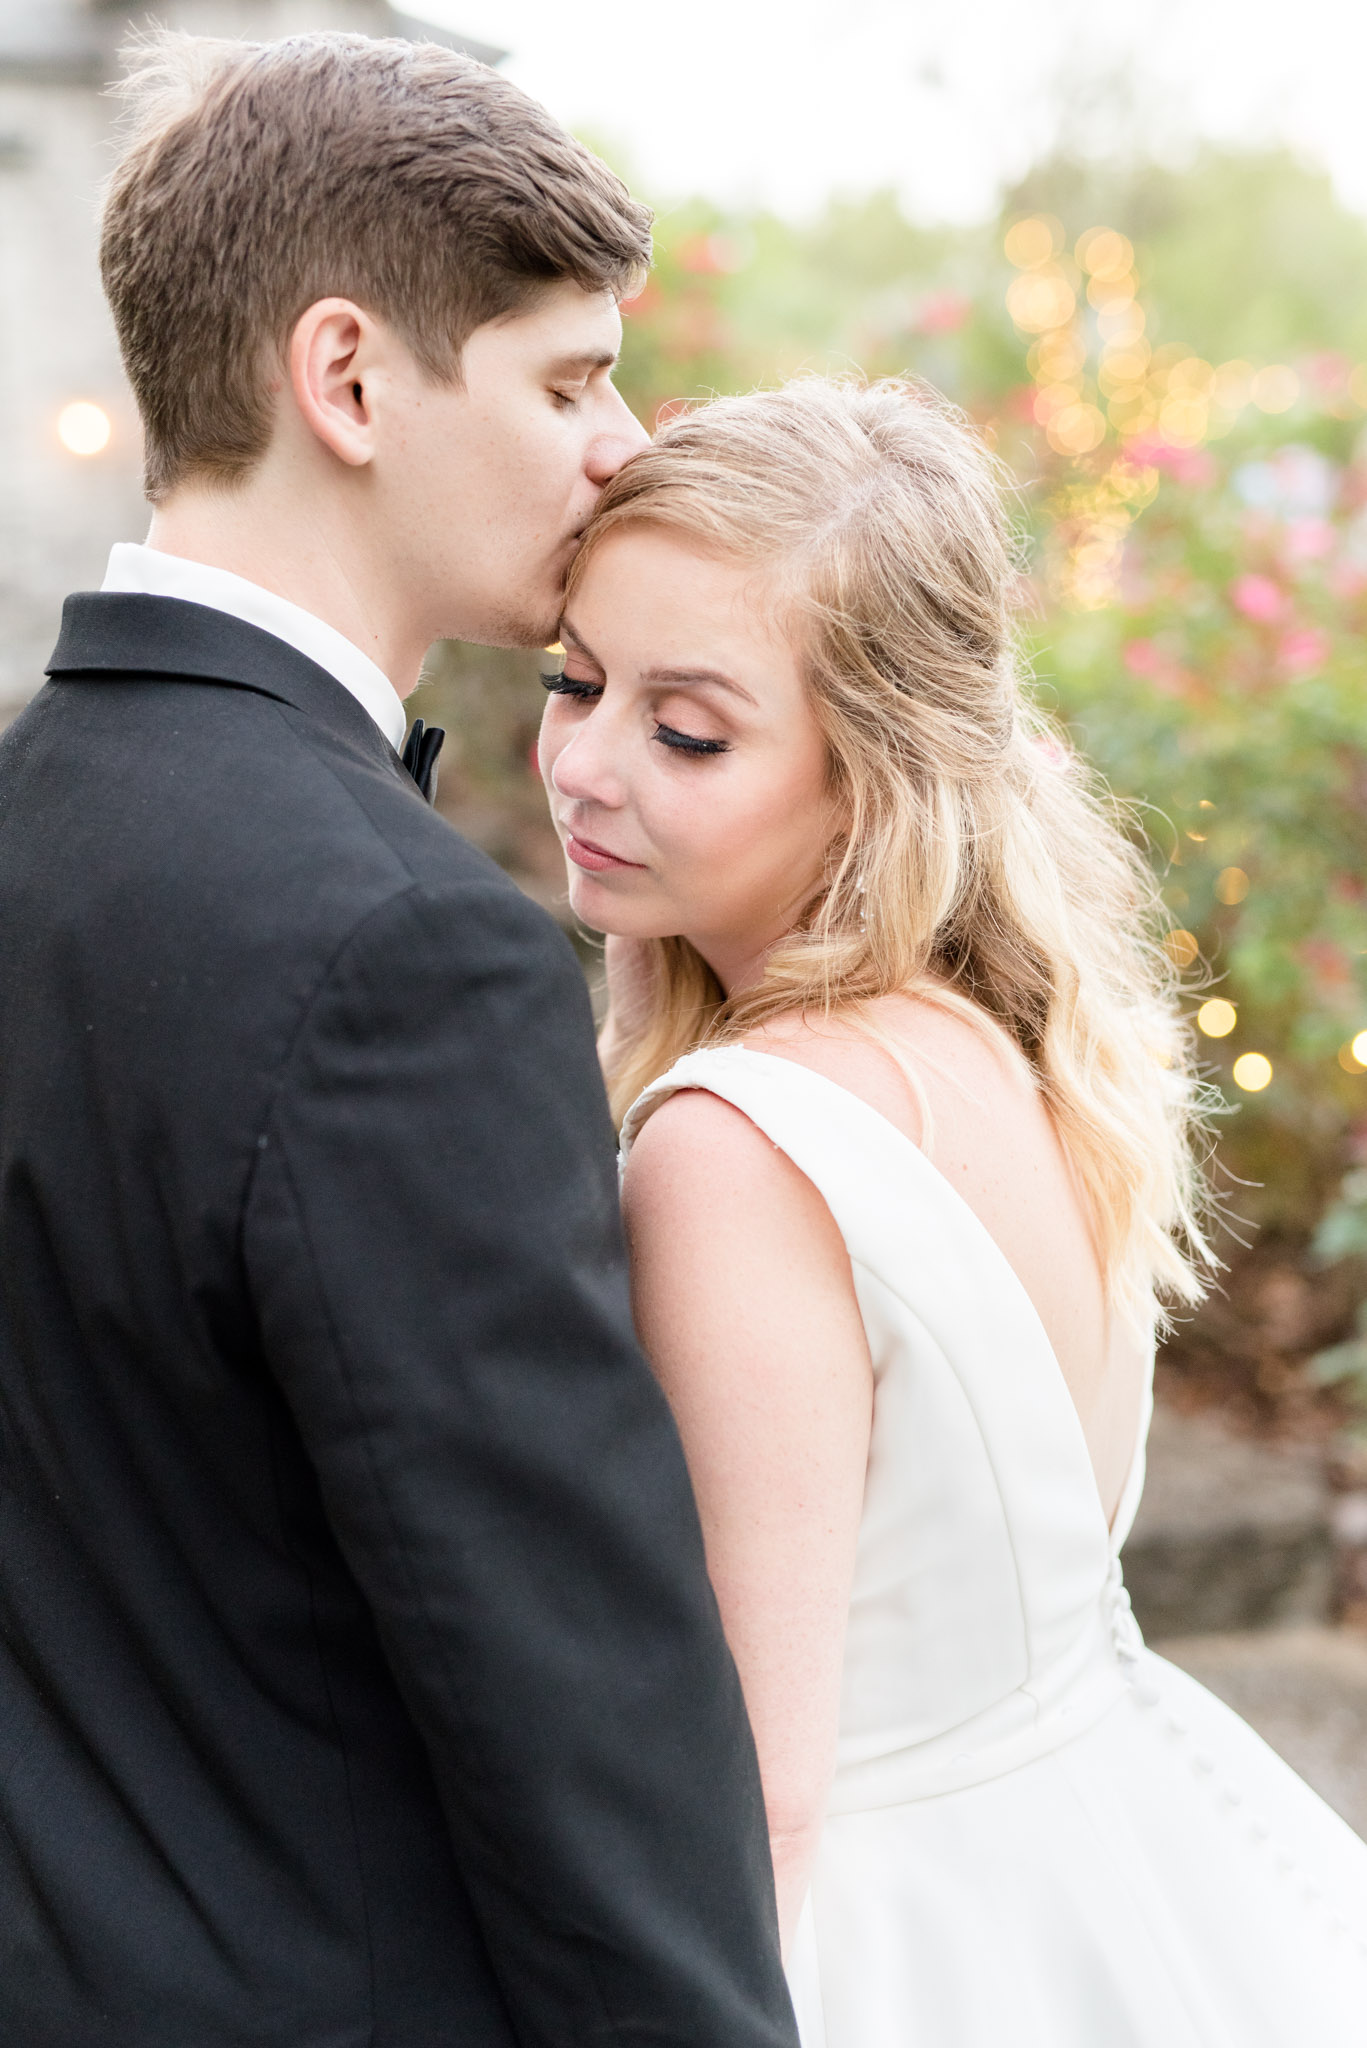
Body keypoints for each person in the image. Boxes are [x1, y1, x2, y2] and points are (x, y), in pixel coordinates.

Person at [0, 31, 799, 2048]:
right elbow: (577, 1722)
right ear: (345, 378)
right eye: (564, 377)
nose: (621, 442)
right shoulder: (407, 957)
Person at [538, 373, 1367, 2046]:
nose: (582, 764)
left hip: (891, 1943)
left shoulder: (735, 1144)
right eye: (575, 681)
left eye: (687, 728)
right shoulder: (1013, 1043)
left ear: (870, 777)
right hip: (1123, 1857)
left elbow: (748, 1787)